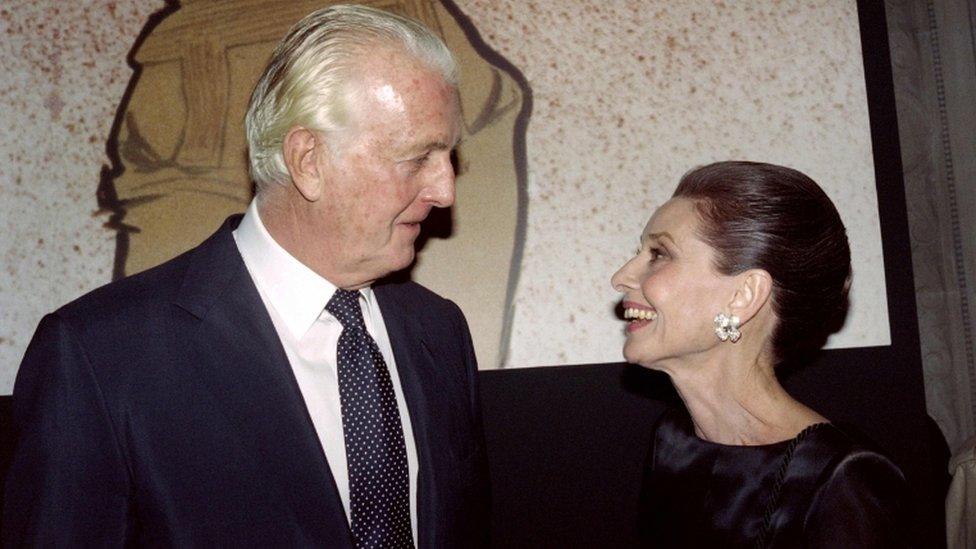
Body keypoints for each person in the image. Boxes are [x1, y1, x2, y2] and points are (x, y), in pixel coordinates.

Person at [3, 5, 488, 547]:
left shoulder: (439, 332)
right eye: (417, 157)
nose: (445, 191)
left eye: (448, 156)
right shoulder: (101, 357)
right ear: (308, 161)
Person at [611, 161, 908, 547]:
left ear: (743, 296)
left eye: (659, 253)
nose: (621, 276)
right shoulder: (673, 442)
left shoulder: (842, 480)